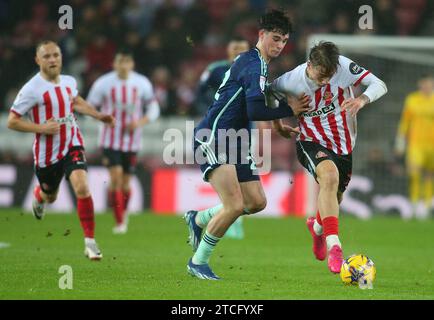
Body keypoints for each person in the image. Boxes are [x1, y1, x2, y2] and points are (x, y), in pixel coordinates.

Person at [185, 9, 310, 280]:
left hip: (237, 141)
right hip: (216, 136)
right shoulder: (253, 64)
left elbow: (262, 99)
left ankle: (198, 219)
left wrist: (277, 124)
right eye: (275, 39)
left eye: (284, 41)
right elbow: (254, 111)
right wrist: (290, 109)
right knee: (233, 205)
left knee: (255, 202)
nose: (279, 45)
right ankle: (198, 262)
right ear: (261, 35)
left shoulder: (259, 64)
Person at [270, 41, 387, 273]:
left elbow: (379, 84)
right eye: (321, 76)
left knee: (336, 196)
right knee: (329, 178)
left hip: (343, 144)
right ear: (310, 65)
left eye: (330, 76)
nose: (325, 81)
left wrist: (361, 100)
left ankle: (318, 229)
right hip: (310, 140)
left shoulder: (342, 66)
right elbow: (270, 93)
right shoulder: (291, 80)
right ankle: (335, 246)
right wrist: (279, 123)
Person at [7, 40, 115, 260]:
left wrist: (98, 115)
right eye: (46, 56)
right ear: (38, 60)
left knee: (82, 186)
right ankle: (40, 195)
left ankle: (90, 242)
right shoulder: (31, 89)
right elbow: (12, 121)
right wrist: (41, 128)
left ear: (61, 57)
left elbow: (75, 102)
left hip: (72, 143)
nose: (53, 59)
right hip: (47, 155)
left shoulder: (69, 81)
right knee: (51, 196)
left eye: (55, 55)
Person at [87, 49, 160, 234]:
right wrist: (102, 118)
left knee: (126, 183)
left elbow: (153, 107)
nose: (123, 65)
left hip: (132, 141)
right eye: (120, 62)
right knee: (116, 177)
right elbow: (89, 107)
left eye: (127, 62)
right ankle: (119, 222)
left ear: (132, 64)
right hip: (109, 140)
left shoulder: (141, 82)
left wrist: (140, 122)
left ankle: (123, 213)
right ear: (115, 64)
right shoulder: (103, 83)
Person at [194, 36, 250, 240]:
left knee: (242, 181)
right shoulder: (215, 69)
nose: (238, 51)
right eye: (235, 47)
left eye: (243, 48)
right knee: (228, 176)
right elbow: (199, 93)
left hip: (242, 131)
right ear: (227, 50)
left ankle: (234, 219)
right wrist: (209, 112)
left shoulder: (252, 71)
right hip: (217, 128)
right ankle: (230, 217)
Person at [395, 74, 434, 218]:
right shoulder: (412, 99)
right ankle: (415, 203)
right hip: (416, 143)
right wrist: (400, 142)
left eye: (429, 84)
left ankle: (427, 205)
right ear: (420, 84)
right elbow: (405, 121)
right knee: (414, 172)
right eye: (425, 84)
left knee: (430, 175)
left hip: (432, 144)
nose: (427, 87)